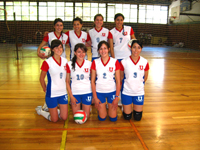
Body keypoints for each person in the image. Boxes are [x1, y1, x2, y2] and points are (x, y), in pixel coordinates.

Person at [35, 39, 69, 122]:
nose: (59, 49)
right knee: (54, 119)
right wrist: (45, 89)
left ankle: (53, 109)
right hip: (52, 93)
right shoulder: (47, 62)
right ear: (52, 49)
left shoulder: (65, 61)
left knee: (64, 117)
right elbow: (41, 78)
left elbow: (67, 78)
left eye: (60, 47)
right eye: (56, 48)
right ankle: (41, 111)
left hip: (63, 93)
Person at [110, 13, 136, 106]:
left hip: (127, 58)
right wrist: (113, 59)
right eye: (117, 20)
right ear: (114, 21)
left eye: (121, 20)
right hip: (117, 58)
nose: (119, 22)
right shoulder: (111, 32)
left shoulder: (129, 29)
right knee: (117, 78)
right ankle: (118, 97)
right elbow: (111, 47)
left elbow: (134, 42)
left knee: (126, 78)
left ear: (123, 21)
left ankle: (126, 96)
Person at [91, 41, 120, 122]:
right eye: (101, 49)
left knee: (113, 118)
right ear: (98, 51)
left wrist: (117, 97)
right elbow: (92, 81)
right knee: (102, 118)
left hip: (112, 91)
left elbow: (118, 81)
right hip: (99, 92)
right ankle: (102, 108)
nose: (103, 51)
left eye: (105, 48)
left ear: (109, 49)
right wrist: (95, 97)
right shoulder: (95, 62)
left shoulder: (115, 62)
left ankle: (109, 108)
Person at [120, 40, 149, 121]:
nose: (136, 50)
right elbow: (121, 77)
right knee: (127, 117)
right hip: (127, 92)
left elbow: (145, 78)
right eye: (134, 47)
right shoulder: (124, 61)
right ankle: (126, 109)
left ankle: (131, 109)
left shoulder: (145, 62)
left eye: (139, 48)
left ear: (141, 49)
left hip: (139, 92)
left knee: (137, 117)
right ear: (130, 48)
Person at [66, 43, 92, 118]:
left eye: (83, 52)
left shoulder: (89, 64)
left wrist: (93, 95)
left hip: (87, 92)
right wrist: (71, 96)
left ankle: (86, 106)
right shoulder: (69, 64)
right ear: (74, 53)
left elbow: (93, 81)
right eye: (79, 52)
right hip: (75, 93)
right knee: (77, 117)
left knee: (85, 117)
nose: (81, 54)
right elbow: (67, 82)